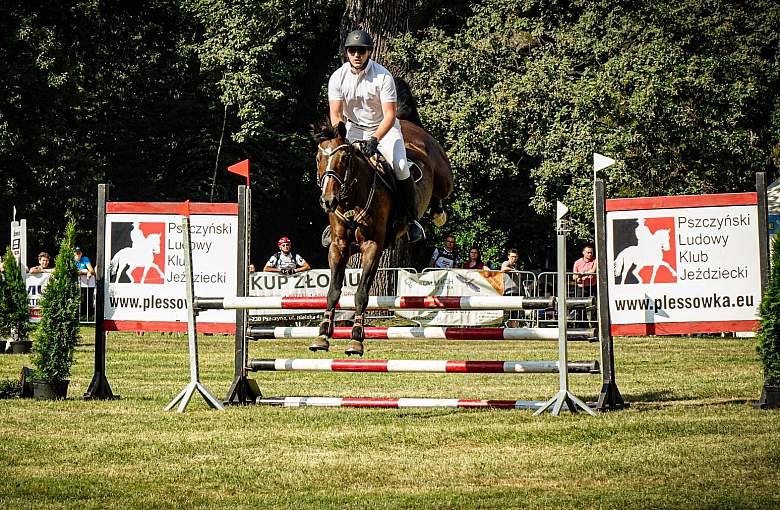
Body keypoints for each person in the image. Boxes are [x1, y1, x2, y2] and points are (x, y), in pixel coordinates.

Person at [327, 29, 425, 242]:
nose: (357, 55)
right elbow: (335, 114)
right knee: (334, 166)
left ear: (369, 52)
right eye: (352, 50)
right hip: (352, 129)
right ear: (347, 53)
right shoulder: (337, 77)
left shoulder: (383, 76)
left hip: (384, 129)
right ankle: (333, 222)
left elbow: (390, 115)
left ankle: (412, 219)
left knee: (400, 166)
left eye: (361, 51)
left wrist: (374, 140)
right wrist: (340, 133)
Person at [74, 247, 96, 321]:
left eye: (79, 253)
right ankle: (76, 316)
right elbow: (72, 271)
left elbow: (92, 270)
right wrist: (84, 271)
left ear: (81, 253)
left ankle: (88, 316)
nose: (78, 255)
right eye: (76, 253)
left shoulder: (85, 259)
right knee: (76, 299)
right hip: (74, 283)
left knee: (87, 297)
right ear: (73, 254)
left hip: (85, 283)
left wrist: (89, 272)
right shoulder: (71, 260)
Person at [501, 248, 521, 327]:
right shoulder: (506, 263)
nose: (514, 258)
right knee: (508, 312)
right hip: (509, 292)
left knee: (514, 313)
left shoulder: (515, 265)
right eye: (512, 256)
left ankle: (513, 329)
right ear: (508, 256)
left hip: (516, 292)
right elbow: (503, 268)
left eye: (515, 257)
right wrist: (514, 271)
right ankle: (506, 327)